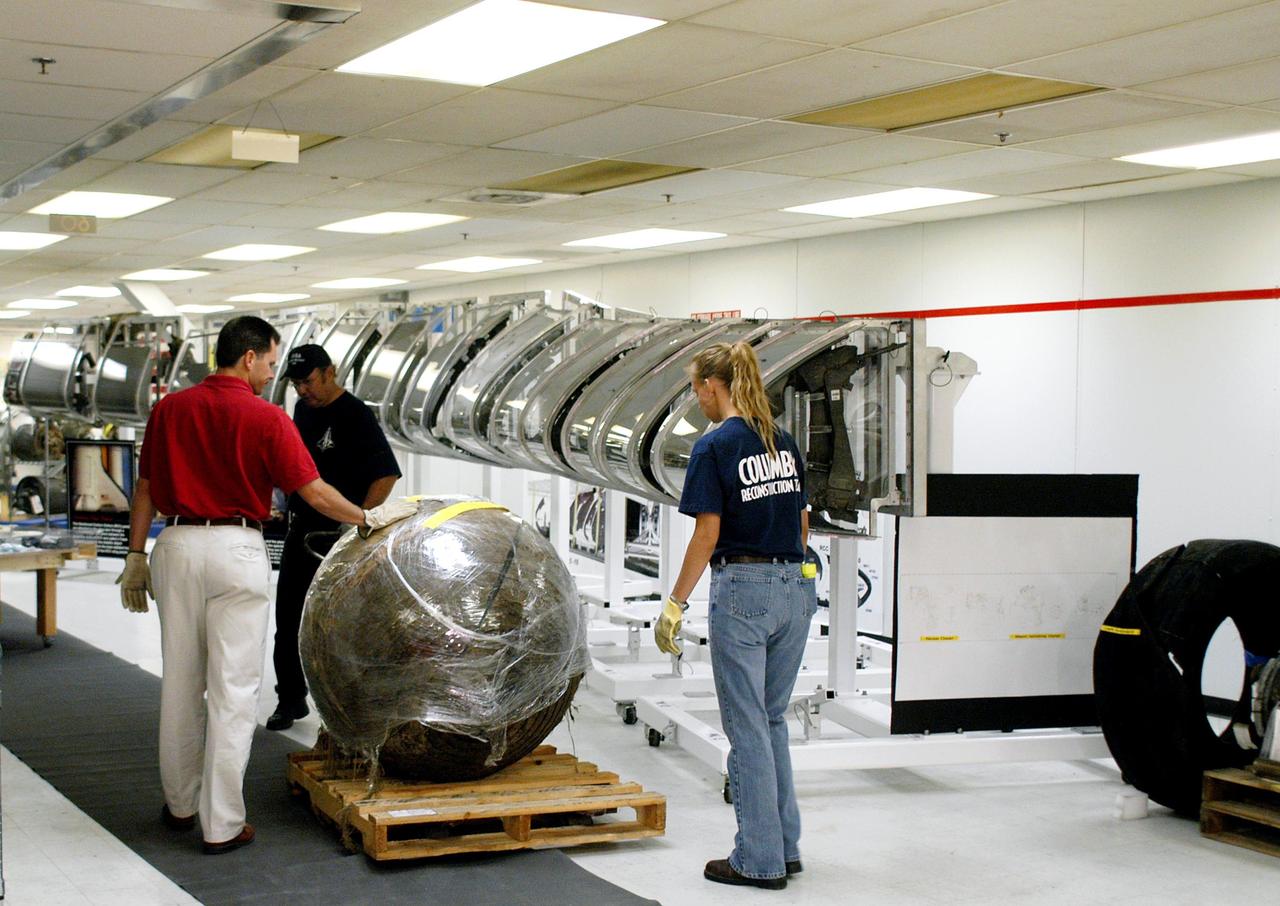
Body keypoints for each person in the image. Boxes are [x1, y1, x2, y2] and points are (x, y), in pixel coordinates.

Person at [116, 316, 416, 855]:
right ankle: (221, 824)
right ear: (249, 358)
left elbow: (145, 487)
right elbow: (316, 492)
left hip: (177, 545)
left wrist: (135, 554)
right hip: (236, 550)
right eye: (272, 364)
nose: (275, 376)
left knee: (181, 684)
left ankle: (181, 806)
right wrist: (366, 521)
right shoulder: (268, 417)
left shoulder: (169, 409)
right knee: (233, 693)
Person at [656, 341, 814, 891]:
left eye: (696, 387)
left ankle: (758, 859)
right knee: (771, 721)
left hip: (744, 591)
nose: (696, 397)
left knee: (746, 726)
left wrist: (675, 602)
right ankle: (786, 847)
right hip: (795, 588)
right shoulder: (783, 442)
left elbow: (707, 533)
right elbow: (802, 525)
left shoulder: (716, 446)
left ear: (711, 387)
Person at [266, 344, 401, 731]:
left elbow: (386, 474)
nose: (303, 390)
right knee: (289, 619)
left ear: (331, 372)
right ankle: (290, 699)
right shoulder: (302, 411)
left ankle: (349, 703)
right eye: (295, 384)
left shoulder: (355, 415)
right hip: (302, 532)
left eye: (308, 381)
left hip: (340, 536)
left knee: (342, 624)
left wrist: (360, 524)